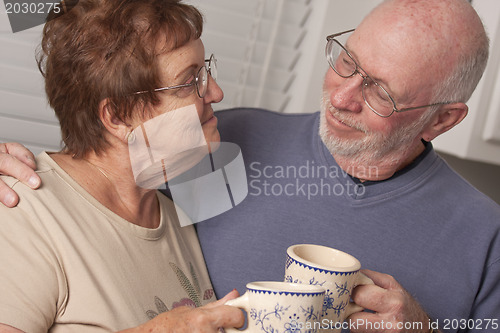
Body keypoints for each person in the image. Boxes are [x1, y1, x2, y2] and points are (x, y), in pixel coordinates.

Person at [2, 0, 500, 332]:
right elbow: (87, 173)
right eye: (347, 61)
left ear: (443, 119)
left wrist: (425, 328)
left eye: (382, 92)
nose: (343, 96)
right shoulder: (217, 146)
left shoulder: (486, 237)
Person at [0, 0, 244, 332]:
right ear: (117, 116)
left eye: (206, 71)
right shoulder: (23, 214)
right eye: (190, 81)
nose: (216, 92)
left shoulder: (174, 217)